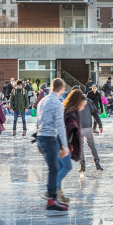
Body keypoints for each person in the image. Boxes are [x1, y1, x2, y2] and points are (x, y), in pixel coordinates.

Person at [36, 78, 69, 215]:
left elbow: (38, 121)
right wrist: (65, 145)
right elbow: (60, 126)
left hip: (41, 137)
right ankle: (52, 200)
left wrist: (38, 140)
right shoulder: (57, 103)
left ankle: (53, 198)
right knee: (54, 169)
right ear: (61, 89)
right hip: (49, 138)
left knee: (53, 168)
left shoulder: (43, 101)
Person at [57, 89, 86, 203]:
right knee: (67, 167)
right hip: (62, 146)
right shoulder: (70, 115)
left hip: (61, 145)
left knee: (60, 168)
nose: (83, 107)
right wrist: (63, 147)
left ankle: (56, 192)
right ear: (77, 102)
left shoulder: (68, 111)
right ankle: (53, 190)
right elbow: (66, 132)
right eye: (82, 105)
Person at [76, 86, 103, 173]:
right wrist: (100, 125)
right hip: (88, 128)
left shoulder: (72, 103)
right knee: (92, 146)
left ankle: (82, 165)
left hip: (78, 128)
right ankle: (97, 163)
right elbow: (95, 113)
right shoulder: (88, 101)